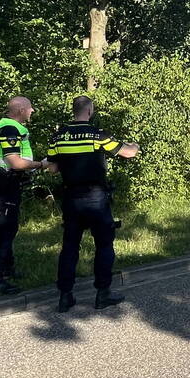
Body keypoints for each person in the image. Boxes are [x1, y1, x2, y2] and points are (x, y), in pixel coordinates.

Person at [45, 96, 140, 312]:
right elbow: (127, 152)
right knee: (104, 246)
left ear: (74, 111)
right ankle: (102, 294)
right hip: (96, 198)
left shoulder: (58, 137)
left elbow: (52, 168)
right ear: (89, 111)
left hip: (71, 199)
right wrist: (135, 145)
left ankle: (65, 296)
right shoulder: (98, 135)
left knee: (69, 247)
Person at [0, 96, 49, 295]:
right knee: (4, 229)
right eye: (30, 108)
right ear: (21, 109)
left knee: (10, 227)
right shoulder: (9, 128)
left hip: (10, 182)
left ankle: (7, 268)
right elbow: (14, 162)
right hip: (5, 182)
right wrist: (41, 164)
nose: (32, 111)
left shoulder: (13, 128)